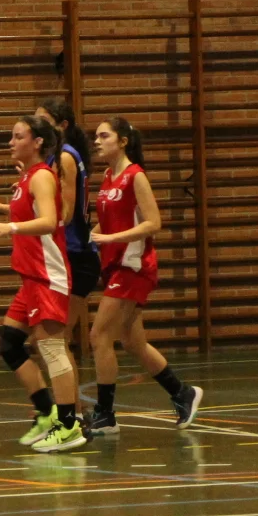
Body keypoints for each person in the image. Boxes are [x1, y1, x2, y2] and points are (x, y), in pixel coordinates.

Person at [83, 117, 202, 436]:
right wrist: (86, 238)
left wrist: (111, 238)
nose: (97, 141)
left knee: (98, 335)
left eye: (104, 136)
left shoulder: (135, 176)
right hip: (115, 264)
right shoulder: (108, 176)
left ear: (122, 141)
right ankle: (182, 392)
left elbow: (154, 223)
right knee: (133, 342)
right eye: (96, 136)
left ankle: (105, 414)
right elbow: (108, 223)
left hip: (133, 266)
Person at [0, 115, 83, 453]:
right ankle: (47, 412)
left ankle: (69, 426)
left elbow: (50, 221)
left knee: (52, 348)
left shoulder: (41, 176)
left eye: (18, 136)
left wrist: (10, 228)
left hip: (47, 274)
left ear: (37, 142)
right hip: (31, 277)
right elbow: (29, 212)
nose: (11, 142)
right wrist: (2, 208)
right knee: (10, 343)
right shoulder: (27, 177)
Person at [36, 99, 101, 369]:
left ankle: (69, 400)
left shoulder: (64, 157)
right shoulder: (55, 157)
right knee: (51, 340)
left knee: (56, 340)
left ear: (62, 125)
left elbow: (64, 213)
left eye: (43, 121)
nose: (37, 126)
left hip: (77, 255)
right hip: (68, 254)